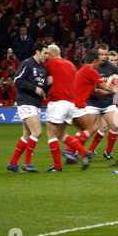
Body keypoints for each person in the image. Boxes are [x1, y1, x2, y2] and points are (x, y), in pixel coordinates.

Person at [43, 44, 96, 172]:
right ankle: (84, 153)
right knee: (62, 134)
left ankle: (57, 166)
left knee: (51, 135)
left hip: (58, 101)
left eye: (46, 55)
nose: (45, 57)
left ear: (51, 54)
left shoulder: (50, 64)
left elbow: (43, 79)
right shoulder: (71, 65)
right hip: (70, 104)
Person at [61, 50, 114, 164]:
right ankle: (69, 150)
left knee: (82, 131)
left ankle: (71, 157)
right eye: (98, 62)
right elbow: (104, 86)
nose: (99, 65)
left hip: (72, 104)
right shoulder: (91, 70)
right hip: (77, 105)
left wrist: (110, 92)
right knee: (92, 129)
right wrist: (116, 89)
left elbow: (95, 92)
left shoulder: (84, 70)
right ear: (94, 61)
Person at [7, 43, 49, 173]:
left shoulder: (42, 68)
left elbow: (41, 88)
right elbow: (18, 80)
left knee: (27, 134)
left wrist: (48, 86)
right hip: (26, 102)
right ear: (37, 52)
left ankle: (13, 163)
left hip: (35, 103)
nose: (46, 56)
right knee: (37, 132)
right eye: (45, 53)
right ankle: (27, 162)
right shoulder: (27, 63)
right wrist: (34, 89)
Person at [86, 44, 118, 160]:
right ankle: (77, 149)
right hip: (93, 101)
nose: (103, 57)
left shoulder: (112, 68)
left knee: (114, 127)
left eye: (105, 54)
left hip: (108, 102)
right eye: (101, 54)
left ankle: (107, 151)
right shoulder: (92, 67)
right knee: (91, 128)